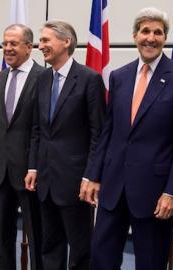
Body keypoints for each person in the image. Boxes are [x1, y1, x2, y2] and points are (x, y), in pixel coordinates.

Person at [80, 7, 173, 270]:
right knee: (101, 259)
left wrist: (171, 192)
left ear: (165, 38)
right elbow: (108, 131)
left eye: (158, 32)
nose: (150, 38)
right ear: (135, 36)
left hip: (154, 194)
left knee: (150, 263)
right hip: (113, 188)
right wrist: (94, 175)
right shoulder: (119, 76)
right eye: (145, 31)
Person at [26, 21, 106, 269]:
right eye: (41, 41)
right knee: (50, 245)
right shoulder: (41, 79)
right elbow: (38, 129)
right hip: (45, 180)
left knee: (80, 249)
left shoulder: (89, 79)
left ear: (66, 42)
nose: (41, 46)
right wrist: (33, 168)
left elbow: (98, 133)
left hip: (76, 182)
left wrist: (91, 176)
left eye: (46, 40)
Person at [0, 24, 44, 270]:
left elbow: (42, 129)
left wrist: (34, 166)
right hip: (0, 171)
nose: (7, 48)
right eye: (5, 43)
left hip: (30, 174)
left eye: (13, 44)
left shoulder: (44, 77)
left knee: (38, 235)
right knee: (3, 235)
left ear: (29, 47)